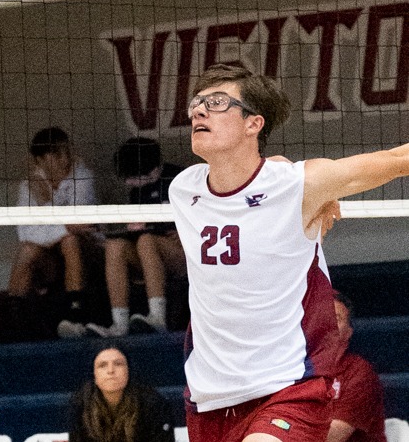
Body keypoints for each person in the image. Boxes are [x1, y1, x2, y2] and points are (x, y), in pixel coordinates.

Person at [170, 62, 409, 442]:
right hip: (209, 396)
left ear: (254, 123)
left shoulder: (299, 185)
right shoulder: (183, 188)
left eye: (216, 102)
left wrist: (309, 190)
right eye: (197, 102)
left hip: (291, 386)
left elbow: (397, 161)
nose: (198, 110)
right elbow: (251, 179)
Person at [87, 138, 185, 337]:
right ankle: (119, 324)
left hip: (184, 255)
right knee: (115, 246)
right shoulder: (137, 192)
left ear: (150, 170)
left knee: (146, 241)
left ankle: (158, 317)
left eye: (131, 175)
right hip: (150, 256)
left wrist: (185, 230)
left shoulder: (180, 179)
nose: (128, 181)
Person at [7, 127, 98, 339]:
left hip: (90, 251)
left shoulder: (83, 177)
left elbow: (80, 225)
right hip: (49, 257)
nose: (65, 158)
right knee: (28, 250)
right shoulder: (29, 185)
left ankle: (75, 317)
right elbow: (26, 233)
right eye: (57, 154)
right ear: (39, 160)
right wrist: (62, 225)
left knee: (70, 241)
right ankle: (8, 326)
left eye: (67, 151)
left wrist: (48, 207)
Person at [67, 346, 173, 442]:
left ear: (129, 371)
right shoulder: (80, 405)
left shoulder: (153, 404)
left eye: (118, 364)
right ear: (94, 375)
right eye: (102, 365)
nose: (110, 370)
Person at [327, 293, 386, 442]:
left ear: (348, 333)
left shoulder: (359, 373)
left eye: (337, 318)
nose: (329, 323)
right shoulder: (295, 369)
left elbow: (334, 436)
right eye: (323, 316)